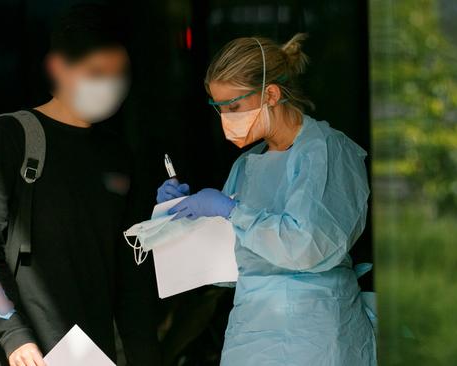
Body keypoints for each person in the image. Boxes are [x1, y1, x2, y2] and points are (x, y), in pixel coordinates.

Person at [0, 4, 159, 366]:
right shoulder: (11, 136)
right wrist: (14, 334)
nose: (110, 85)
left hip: (93, 356)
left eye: (119, 74)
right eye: (97, 72)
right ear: (58, 68)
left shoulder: (119, 157)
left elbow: (133, 274)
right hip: (27, 355)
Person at [156, 34, 377, 365]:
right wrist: (182, 217)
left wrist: (233, 211)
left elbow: (307, 246)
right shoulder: (247, 166)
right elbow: (226, 269)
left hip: (315, 335)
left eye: (234, 107)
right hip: (251, 335)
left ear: (271, 94)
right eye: (219, 108)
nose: (225, 120)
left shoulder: (326, 151)